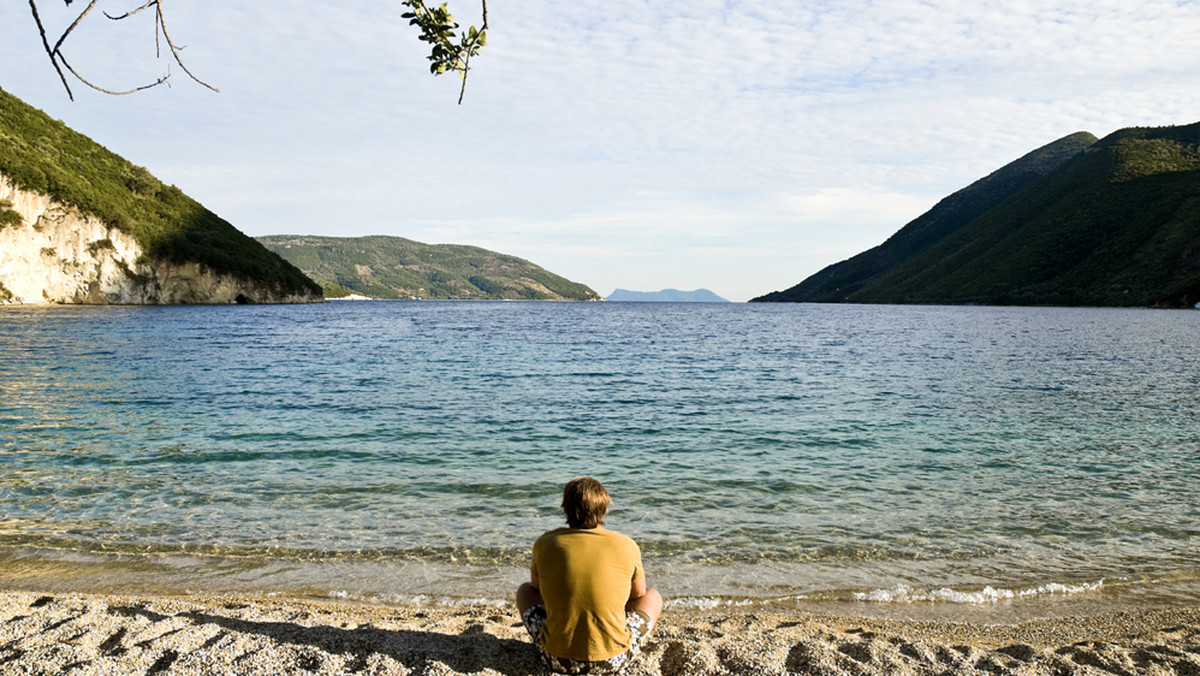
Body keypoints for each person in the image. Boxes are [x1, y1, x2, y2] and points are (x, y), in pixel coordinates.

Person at [517, 477, 663, 674]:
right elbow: (638, 594)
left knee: (525, 590)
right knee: (653, 596)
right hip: (613, 659)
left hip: (556, 658)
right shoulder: (626, 544)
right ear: (604, 507)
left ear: (565, 508)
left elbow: (537, 589)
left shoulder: (546, 542)